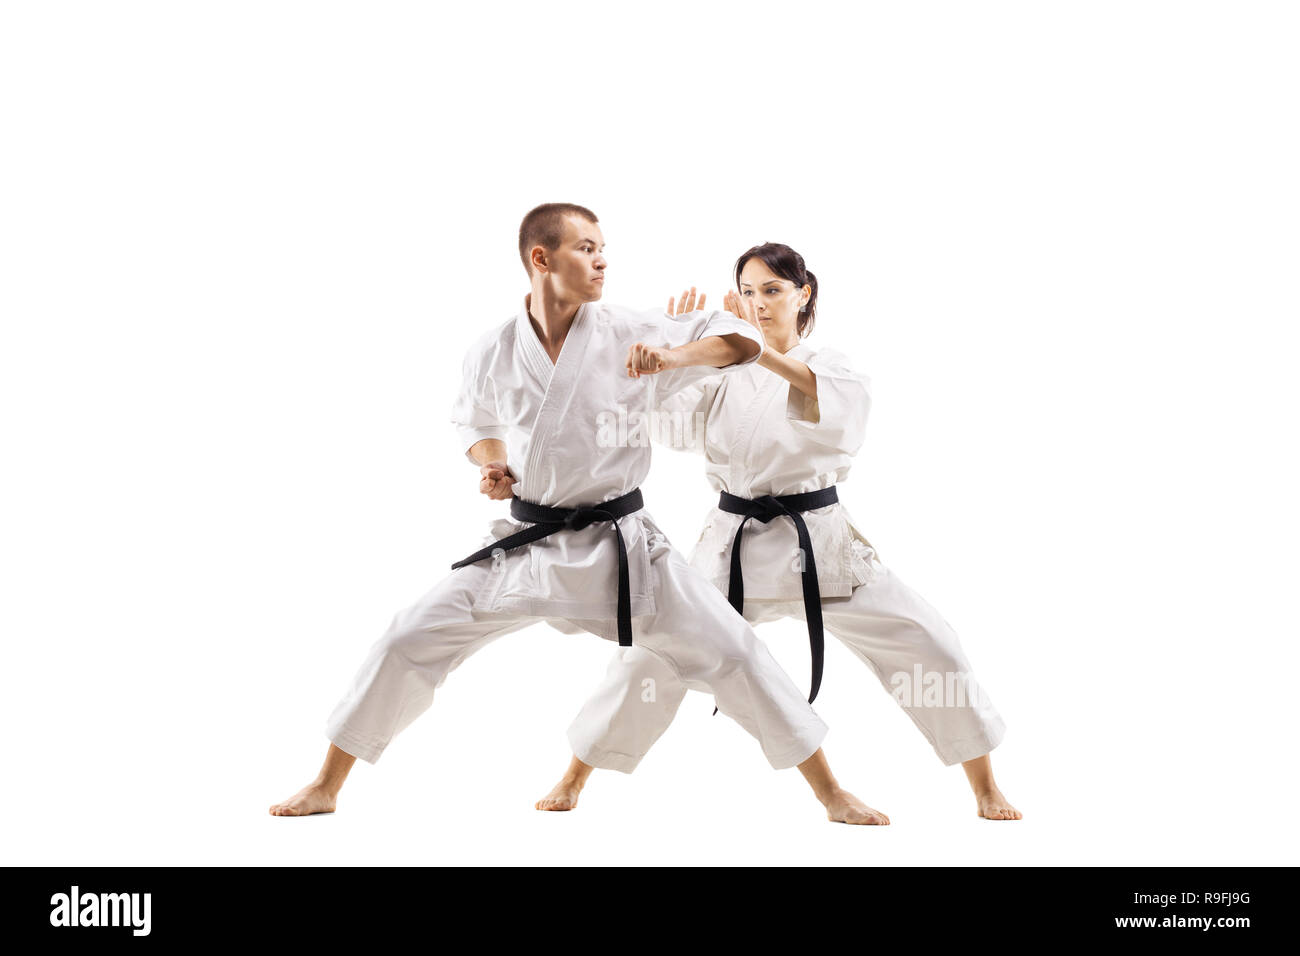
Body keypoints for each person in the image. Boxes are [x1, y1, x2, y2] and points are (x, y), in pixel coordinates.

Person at [270, 208, 886, 824]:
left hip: (624, 549)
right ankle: (326, 784)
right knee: (406, 638)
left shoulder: (628, 329)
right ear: (542, 260)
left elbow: (741, 340)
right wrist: (491, 464)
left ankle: (832, 793)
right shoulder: (494, 349)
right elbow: (474, 421)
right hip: (528, 544)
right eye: (586, 248)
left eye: (602, 248)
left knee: (735, 651)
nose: (602, 260)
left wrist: (673, 359)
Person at [538, 242, 1020, 821]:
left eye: (771, 290)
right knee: (651, 657)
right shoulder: (727, 369)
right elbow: (671, 425)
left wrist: (743, 348)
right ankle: (574, 777)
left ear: (803, 293)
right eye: (747, 292)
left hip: (817, 542)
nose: (758, 303)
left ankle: (985, 785)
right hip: (732, 542)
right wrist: (680, 355)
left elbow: (819, 397)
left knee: (926, 640)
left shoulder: (833, 365)